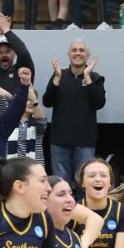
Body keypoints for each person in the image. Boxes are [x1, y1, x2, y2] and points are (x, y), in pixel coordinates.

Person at [43, 40, 105, 181]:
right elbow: (47, 102)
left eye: (82, 50)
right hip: (59, 141)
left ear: (88, 55)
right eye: (74, 50)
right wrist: (57, 78)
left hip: (85, 142)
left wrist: (87, 77)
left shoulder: (95, 78)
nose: (78, 53)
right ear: (69, 54)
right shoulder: (59, 75)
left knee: (84, 183)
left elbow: (99, 103)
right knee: (61, 185)